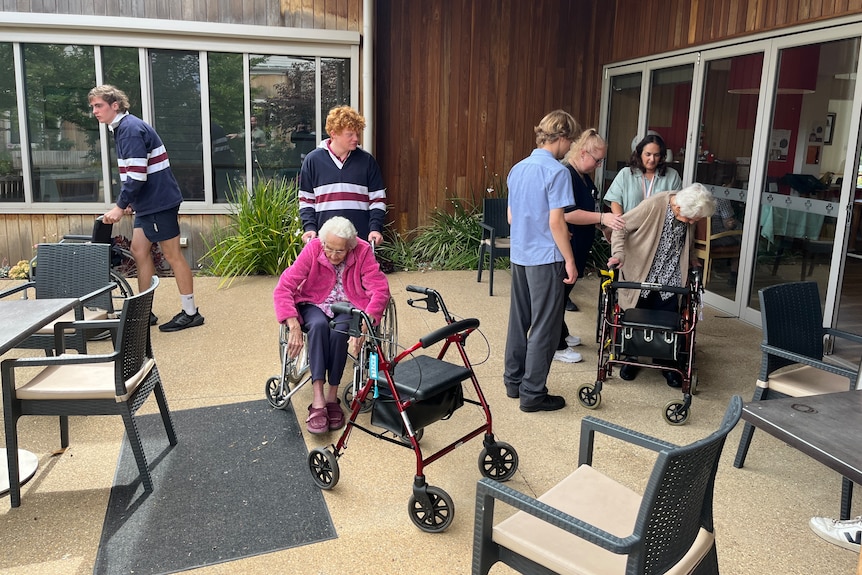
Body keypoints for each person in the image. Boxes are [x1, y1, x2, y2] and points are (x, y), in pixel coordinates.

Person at [89, 84, 204, 332]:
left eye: (99, 106)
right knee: (139, 250)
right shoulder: (123, 129)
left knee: (172, 255)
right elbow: (137, 172)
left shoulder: (129, 130)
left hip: (158, 203)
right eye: (93, 107)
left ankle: (191, 312)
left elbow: (138, 175)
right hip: (148, 203)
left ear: (115, 105)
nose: (95, 111)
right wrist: (130, 201)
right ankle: (143, 312)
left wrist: (120, 207)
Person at [273, 216, 390, 434]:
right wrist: (293, 325)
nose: (333, 255)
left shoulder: (362, 251)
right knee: (317, 327)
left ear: (350, 246)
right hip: (314, 302)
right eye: (329, 249)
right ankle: (318, 398)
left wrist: (365, 326)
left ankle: (331, 395)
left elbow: (380, 290)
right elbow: (284, 287)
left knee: (339, 332)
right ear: (323, 242)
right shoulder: (314, 248)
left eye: (340, 251)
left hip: (348, 305)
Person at [503, 109, 579, 413]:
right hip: (546, 258)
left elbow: (511, 217)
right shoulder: (558, 172)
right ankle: (533, 394)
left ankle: (513, 381)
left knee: (518, 321)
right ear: (560, 137)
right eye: (570, 140)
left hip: (520, 254)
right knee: (546, 327)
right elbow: (557, 223)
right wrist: (570, 260)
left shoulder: (518, 168)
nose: (570, 146)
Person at [607, 183, 715, 386]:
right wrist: (618, 254)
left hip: (671, 275)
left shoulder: (687, 211)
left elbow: (686, 240)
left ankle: (666, 362)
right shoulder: (655, 205)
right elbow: (620, 226)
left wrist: (691, 259)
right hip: (642, 272)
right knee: (637, 316)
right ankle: (632, 358)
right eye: (691, 218)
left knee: (668, 319)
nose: (692, 222)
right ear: (678, 207)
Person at [554, 129, 626, 364]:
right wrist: (602, 219)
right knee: (558, 296)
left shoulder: (583, 176)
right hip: (568, 247)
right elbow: (568, 214)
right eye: (597, 160)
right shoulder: (567, 174)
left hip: (581, 244)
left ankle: (561, 333)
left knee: (564, 295)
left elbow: (589, 210)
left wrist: (601, 225)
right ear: (583, 152)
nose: (599, 165)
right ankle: (556, 345)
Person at [299, 106, 386, 246]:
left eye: (357, 134)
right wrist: (309, 227)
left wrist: (375, 228)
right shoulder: (313, 161)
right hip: (325, 242)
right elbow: (306, 200)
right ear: (333, 134)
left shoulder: (367, 161)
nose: (356, 139)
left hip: (360, 240)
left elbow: (377, 200)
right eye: (350, 134)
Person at [604, 133, 682, 216]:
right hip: (629, 226)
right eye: (648, 154)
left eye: (656, 155)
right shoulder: (625, 174)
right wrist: (620, 222)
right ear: (640, 154)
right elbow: (615, 200)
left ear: (661, 156)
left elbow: (678, 204)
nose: (652, 159)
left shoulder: (672, 176)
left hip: (659, 227)